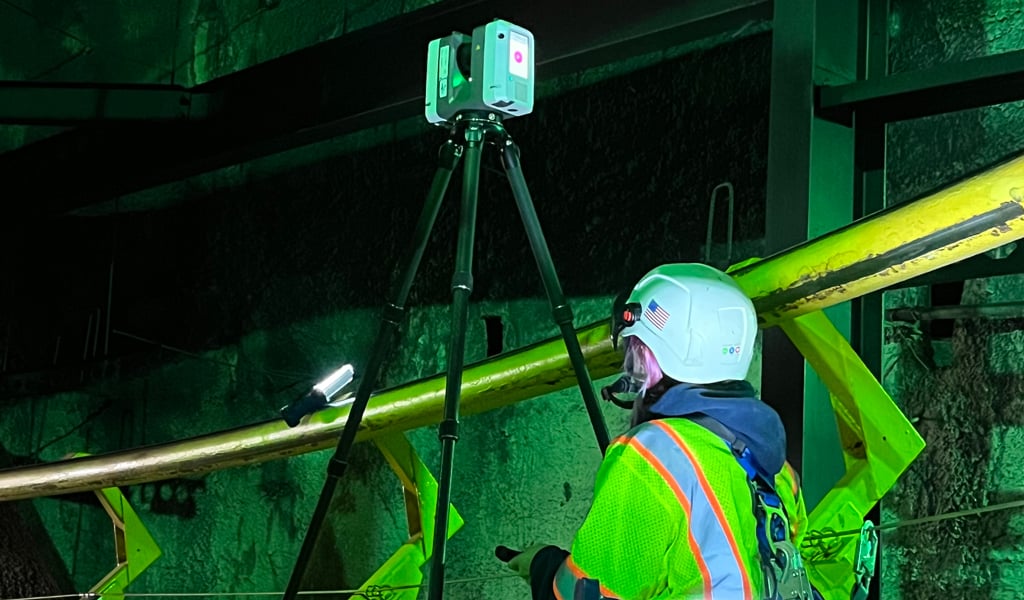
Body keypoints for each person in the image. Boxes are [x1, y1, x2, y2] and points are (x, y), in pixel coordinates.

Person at [503, 263, 811, 600]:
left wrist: (541, 564)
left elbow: (583, 593)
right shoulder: (776, 471)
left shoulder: (655, 455)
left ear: (648, 356)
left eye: (634, 350)